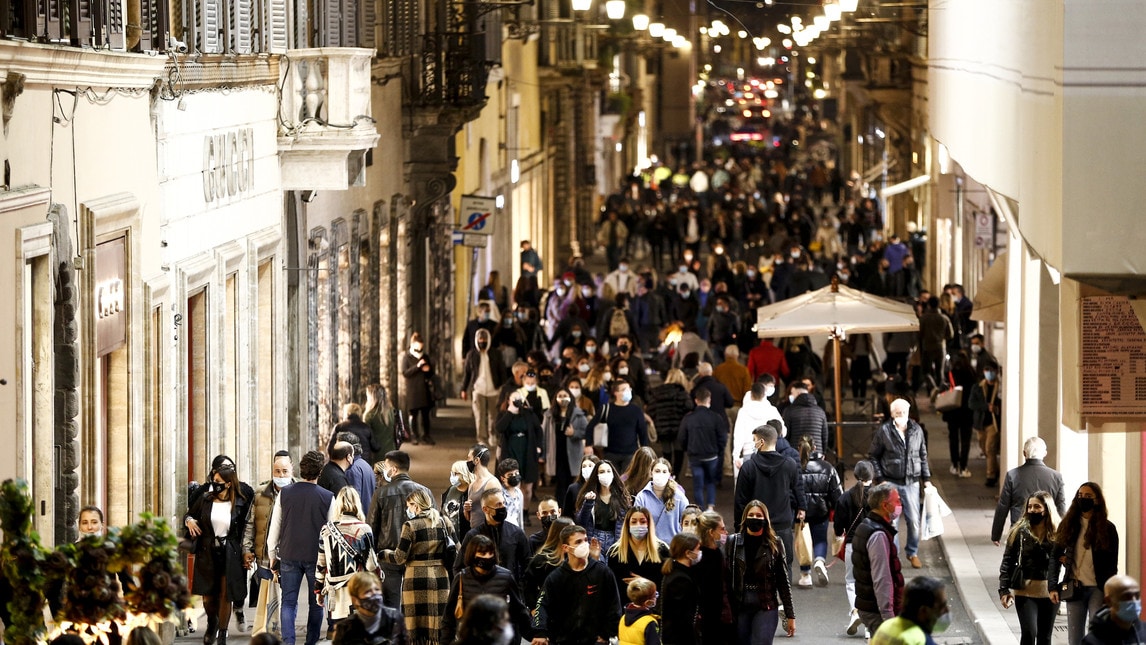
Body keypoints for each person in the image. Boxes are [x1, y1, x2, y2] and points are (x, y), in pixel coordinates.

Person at [267, 451, 336, 645]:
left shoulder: (285, 494)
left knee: (288, 602)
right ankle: (311, 641)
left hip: (289, 553)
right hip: (317, 557)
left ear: (300, 469)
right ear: (320, 472)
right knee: (316, 603)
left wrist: (272, 554)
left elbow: (275, 526)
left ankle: (289, 642)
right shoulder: (328, 497)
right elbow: (331, 532)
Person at [184, 463, 254, 645]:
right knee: (208, 595)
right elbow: (189, 514)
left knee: (225, 593)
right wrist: (190, 521)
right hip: (207, 550)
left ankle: (222, 633)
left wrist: (247, 551)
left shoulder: (240, 501)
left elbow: (248, 528)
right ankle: (211, 623)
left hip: (230, 552)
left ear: (229, 483)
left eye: (218, 481)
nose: (214, 484)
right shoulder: (206, 499)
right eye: (213, 481)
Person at [379, 489, 453, 645]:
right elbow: (456, 548)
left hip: (415, 579)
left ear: (416, 506)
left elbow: (400, 557)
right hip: (440, 577)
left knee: (416, 626)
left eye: (409, 506)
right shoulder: (444, 522)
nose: (408, 510)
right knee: (437, 622)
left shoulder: (410, 526)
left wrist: (383, 554)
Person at [1051, 482, 1121, 645]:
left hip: (1098, 588)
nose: (1083, 499)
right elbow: (1055, 557)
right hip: (1074, 588)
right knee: (1074, 637)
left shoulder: (1108, 529)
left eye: (1088, 496)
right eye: (1080, 496)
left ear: (1097, 500)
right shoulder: (1068, 525)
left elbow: (1112, 565)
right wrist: (1053, 586)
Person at [734, 422, 806, 579]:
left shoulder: (748, 467)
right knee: (785, 565)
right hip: (783, 524)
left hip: (756, 524)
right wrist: (802, 507)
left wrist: (739, 527)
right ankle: (784, 601)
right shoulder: (789, 465)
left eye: (754, 440)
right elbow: (798, 488)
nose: (753, 444)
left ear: (761, 442)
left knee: (757, 566)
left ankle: (763, 601)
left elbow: (740, 500)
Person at [530, 525, 623, 645]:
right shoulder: (555, 578)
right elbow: (541, 606)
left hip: (596, 641)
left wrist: (606, 634)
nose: (584, 544)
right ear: (565, 547)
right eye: (578, 541)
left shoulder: (603, 573)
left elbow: (614, 606)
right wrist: (540, 633)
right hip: (563, 640)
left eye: (585, 540)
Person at [868, 398, 931, 569]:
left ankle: (912, 552)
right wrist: (881, 479)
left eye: (903, 413)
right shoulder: (884, 431)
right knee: (891, 521)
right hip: (891, 482)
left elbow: (922, 456)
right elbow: (873, 455)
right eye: (897, 413)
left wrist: (927, 480)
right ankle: (893, 555)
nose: (900, 416)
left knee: (914, 520)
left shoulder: (916, 430)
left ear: (908, 413)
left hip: (912, 482)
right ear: (892, 414)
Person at [367, 450, 433, 608]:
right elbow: (433, 524)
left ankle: (394, 631)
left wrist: (372, 557)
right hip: (417, 556)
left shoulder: (381, 493)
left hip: (388, 556)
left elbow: (372, 527)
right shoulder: (424, 492)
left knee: (391, 602)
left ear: (393, 469)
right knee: (416, 602)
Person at [726, 501, 796, 644]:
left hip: (766, 604)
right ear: (745, 518)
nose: (755, 518)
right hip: (740, 604)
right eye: (751, 515)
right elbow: (727, 576)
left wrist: (790, 615)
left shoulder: (774, 544)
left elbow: (783, 580)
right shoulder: (733, 542)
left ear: (766, 519)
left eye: (759, 515)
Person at [243, 451, 294, 637]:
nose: (281, 476)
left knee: (287, 598)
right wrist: (246, 549)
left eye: (284, 471)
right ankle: (269, 632)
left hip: (290, 556)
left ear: (292, 470)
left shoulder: (298, 492)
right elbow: (250, 524)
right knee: (267, 596)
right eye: (277, 471)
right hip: (264, 555)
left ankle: (284, 632)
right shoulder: (260, 493)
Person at [998, 491, 1059, 645]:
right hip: (1025, 590)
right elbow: (1007, 561)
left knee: (1045, 637)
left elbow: (1064, 560)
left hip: (1050, 591)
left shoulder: (1058, 532)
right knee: (1029, 633)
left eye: (1037, 507)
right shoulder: (1019, 531)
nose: (1032, 510)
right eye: (1029, 507)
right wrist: (1004, 589)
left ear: (1047, 509)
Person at [316, 487, 380, 628]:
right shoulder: (364, 529)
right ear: (357, 504)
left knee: (339, 634)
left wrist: (318, 590)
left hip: (335, 594)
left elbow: (321, 563)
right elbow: (371, 565)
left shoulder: (326, 529)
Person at [991, 437, 1066, 545]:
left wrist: (996, 534)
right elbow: (1061, 508)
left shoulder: (1013, 475)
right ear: (1045, 453)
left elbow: (1003, 506)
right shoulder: (1056, 477)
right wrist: (1062, 535)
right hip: (1046, 532)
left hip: (1019, 531)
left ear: (1024, 453)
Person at [853, 482, 905, 636]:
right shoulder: (878, 535)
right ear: (885, 505)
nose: (899, 505)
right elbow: (882, 579)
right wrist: (889, 617)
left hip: (869, 606)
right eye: (897, 501)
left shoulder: (866, 527)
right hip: (877, 611)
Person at [455, 488, 531, 582]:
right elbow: (459, 568)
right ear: (485, 509)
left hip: (507, 591)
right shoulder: (473, 536)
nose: (503, 507)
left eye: (504, 503)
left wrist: (518, 589)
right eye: (498, 504)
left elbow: (528, 565)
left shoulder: (516, 533)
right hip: (481, 592)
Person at [796, 435, 842, 588]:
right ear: (815, 448)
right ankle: (820, 561)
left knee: (803, 542)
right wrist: (837, 511)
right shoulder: (827, 467)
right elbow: (837, 493)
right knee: (820, 539)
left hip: (800, 513)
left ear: (799, 449)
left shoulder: (795, 467)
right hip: (821, 511)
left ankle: (805, 575)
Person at [835, 460, 875, 636]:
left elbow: (838, 526)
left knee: (852, 582)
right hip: (874, 545)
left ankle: (855, 612)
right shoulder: (877, 496)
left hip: (852, 544)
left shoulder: (845, 497)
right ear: (871, 476)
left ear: (855, 475)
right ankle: (869, 627)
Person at [677, 387, 728, 510]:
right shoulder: (716, 417)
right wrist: (719, 450)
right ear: (709, 400)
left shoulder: (689, 418)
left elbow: (681, 437)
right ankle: (710, 506)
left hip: (695, 456)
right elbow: (722, 437)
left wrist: (687, 449)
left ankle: (700, 508)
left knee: (698, 484)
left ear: (696, 400)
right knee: (711, 482)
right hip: (712, 456)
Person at [330, 571, 409, 645]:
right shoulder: (345, 630)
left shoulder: (394, 619)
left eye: (377, 590)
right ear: (355, 600)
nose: (375, 595)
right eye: (368, 592)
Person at [496, 394, 543, 516]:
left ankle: (525, 511)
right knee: (512, 485)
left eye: (519, 399)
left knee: (527, 488)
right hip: (511, 451)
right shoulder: (505, 414)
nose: (517, 401)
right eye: (514, 399)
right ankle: (513, 513)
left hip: (527, 452)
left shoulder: (528, 413)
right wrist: (510, 412)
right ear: (508, 400)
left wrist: (539, 447)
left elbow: (539, 429)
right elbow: (499, 428)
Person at [462, 328, 509, 447]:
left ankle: (492, 435)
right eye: (480, 339)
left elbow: (502, 371)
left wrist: (504, 388)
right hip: (478, 389)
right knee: (479, 415)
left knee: (494, 415)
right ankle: (481, 438)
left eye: (484, 339)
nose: (482, 341)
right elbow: (467, 373)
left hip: (494, 389)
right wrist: (464, 389)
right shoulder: (471, 354)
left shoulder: (496, 353)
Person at [870, 576, 951, 645]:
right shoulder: (919, 640)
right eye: (942, 606)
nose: (947, 610)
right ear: (923, 611)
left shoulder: (886, 626)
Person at [575, 459, 631, 558]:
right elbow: (581, 522)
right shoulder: (589, 496)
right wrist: (588, 503)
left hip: (614, 539)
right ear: (596, 475)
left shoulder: (621, 497)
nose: (606, 474)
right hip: (594, 539)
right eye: (601, 472)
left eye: (608, 471)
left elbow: (625, 522)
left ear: (613, 474)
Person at [605, 507, 671, 590]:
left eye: (643, 522)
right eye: (634, 522)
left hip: (653, 600)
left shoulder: (662, 549)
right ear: (628, 525)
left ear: (649, 524)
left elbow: (667, 582)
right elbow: (612, 586)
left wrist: (645, 583)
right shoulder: (615, 551)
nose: (638, 525)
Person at [543, 387, 587, 508]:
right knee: (560, 483)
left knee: (570, 483)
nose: (563, 398)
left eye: (565, 395)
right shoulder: (549, 414)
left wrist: (574, 433)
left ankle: (570, 508)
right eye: (560, 396)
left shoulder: (578, 414)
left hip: (572, 454)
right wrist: (542, 454)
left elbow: (586, 431)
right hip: (556, 453)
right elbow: (544, 434)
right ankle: (561, 509)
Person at [645, 369, 693, 478]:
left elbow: (651, 409)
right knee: (679, 451)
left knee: (666, 451)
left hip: (662, 427)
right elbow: (689, 407)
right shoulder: (682, 392)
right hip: (678, 427)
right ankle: (676, 475)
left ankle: (666, 474)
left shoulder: (657, 392)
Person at [732, 379, 783, 480]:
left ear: (751, 395)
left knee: (747, 488)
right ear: (765, 394)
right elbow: (782, 430)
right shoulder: (772, 410)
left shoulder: (743, 411)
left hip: (748, 453)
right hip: (768, 452)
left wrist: (736, 455)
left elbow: (738, 435)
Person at [523, 517, 576, 613]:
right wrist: (534, 609)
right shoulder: (541, 560)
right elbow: (528, 586)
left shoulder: (576, 556)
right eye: (572, 530)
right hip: (549, 611)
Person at [597, 380, 651, 473]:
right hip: (610, 453)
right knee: (613, 481)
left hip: (631, 453)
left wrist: (645, 451)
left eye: (629, 389)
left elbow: (642, 432)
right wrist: (589, 444)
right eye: (624, 389)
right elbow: (592, 426)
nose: (628, 391)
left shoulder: (636, 410)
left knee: (628, 481)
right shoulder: (607, 409)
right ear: (616, 392)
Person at [633, 458, 689, 543]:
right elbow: (637, 526)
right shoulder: (642, 497)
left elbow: (687, 525)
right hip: (649, 547)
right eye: (657, 471)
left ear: (669, 474)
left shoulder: (679, 497)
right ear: (651, 473)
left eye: (664, 472)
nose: (661, 474)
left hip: (674, 548)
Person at [660, 533, 702, 645]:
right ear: (688, 553)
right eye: (698, 550)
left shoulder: (678, 572)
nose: (699, 553)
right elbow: (682, 618)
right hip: (680, 638)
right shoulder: (680, 580)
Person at [1081, 575, 1146, 645]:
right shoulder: (1092, 641)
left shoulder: (1144, 631)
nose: (1134, 601)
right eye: (1127, 596)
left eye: (1137, 595)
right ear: (1108, 601)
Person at [940, 354, 976, 479]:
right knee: (966, 440)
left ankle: (954, 465)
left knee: (953, 438)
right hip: (967, 412)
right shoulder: (971, 374)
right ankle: (964, 467)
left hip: (953, 411)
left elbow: (944, 388)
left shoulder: (951, 374)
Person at [968, 360, 1002, 487]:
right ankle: (997, 470)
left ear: (997, 372)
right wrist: (986, 407)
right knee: (984, 449)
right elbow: (971, 404)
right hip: (981, 423)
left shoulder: (1001, 387)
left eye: (992, 371)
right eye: (987, 371)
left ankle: (991, 475)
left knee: (990, 448)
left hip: (994, 423)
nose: (989, 373)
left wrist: (997, 409)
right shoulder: (978, 387)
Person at [401, 332, 437, 446]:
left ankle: (426, 435)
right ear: (413, 344)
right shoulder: (407, 357)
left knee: (426, 414)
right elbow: (405, 372)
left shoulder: (425, 356)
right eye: (418, 345)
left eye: (421, 345)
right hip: (413, 390)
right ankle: (414, 435)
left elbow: (431, 372)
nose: (420, 347)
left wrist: (428, 369)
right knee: (414, 414)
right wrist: (418, 366)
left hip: (424, 389)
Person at [781, 382, 830, 454]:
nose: (791, 396)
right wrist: (824, 452)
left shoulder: (790, 411)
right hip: (816, 452)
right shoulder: (820, 411)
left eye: (792, 393)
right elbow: (825, 435)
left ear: (797, 394)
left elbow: (786, 434)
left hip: (796, 453)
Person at [463, 444, 503, 529]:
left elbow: (498, 513)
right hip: (475, 533)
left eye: (468, 458)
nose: (466, 462)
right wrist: (466, 509)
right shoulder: (472, 483)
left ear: (476, 460)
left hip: (488, 533)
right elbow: (469, 518)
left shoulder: (492, 483)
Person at [618, 578, 662, 645]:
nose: (657, 597)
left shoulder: (623, 618)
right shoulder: (649, 623)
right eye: (655, 595)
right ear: (648, 602)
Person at [363, 384, 398, 466]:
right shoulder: (392, 411)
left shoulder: (369, 415)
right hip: (391, 449)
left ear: (372, 397)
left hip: (376, 452)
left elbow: (366, 437)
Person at [443, 460, 475, 539]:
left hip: (467, 538)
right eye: (451, 473)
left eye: (455, 473)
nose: (452, 476)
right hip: (450, 539)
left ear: (465, 474)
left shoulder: (473, 492)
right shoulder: (450, 490)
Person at [564, 455, 599, 520]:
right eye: (584, 466)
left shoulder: (602, 487)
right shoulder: (573, 488)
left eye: (590, 466)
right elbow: (567, 514)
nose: (587, 468)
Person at [496, 459, 525, 528]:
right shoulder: (499, 494)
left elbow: (520, 517)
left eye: (516, 473)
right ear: (503, 478)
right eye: (510, 475)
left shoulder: (519, 493)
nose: (514, 476)